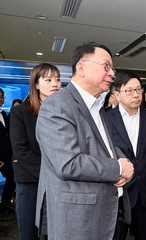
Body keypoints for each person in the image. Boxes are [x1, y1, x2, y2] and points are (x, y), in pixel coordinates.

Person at [35, 42, 134, 239]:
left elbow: (106, 145)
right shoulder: (57, 105)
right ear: (81, 67)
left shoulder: (97, 106)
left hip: (106, 210)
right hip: (77, 218)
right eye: (106, 66)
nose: (112, 73)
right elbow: (68, 163)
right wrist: (118, 168)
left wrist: (124, 161)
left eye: (112, 68)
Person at [106, 71, 146, 240]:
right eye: (129, 91)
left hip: (145, 192)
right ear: (117, 94)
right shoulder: (106, 118)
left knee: (145, 235)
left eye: (138, 90)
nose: (136, 95)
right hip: (119, 191)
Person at [9, 63, 61, 240]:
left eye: (57, 79)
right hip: (31, 181)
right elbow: (20, 150)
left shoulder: (63, 112)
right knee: (29, 232)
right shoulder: (20, 112)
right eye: (48, 80)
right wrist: (52, 171)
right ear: (36, 84)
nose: (55, 84)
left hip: (58, 183)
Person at [0, 88, 15, 217]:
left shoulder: (4, 114)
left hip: (7, 156)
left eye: (1, 97)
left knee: (11, 179)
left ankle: (4, 205)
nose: (0, 99)